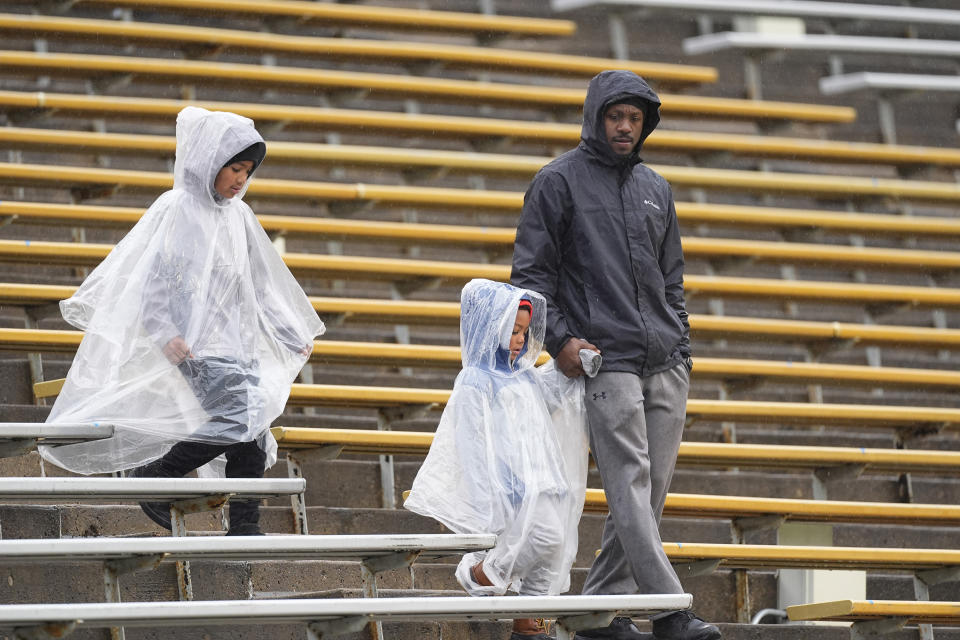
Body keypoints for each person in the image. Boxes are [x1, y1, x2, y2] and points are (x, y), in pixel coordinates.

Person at [40, 106, 325, 536]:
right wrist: (164, 331)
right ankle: (155, 478)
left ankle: (244, 526)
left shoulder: (239, 218)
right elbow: (152, 281)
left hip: (237, 346)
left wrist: (289, 332)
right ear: (209, 160)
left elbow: (259, 285)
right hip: (199, 348)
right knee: (237, 419)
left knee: (251, 435)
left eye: (247, 170)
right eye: (233, 167)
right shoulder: (177, 210)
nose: (240, 179)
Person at [511, 70, 721, 640]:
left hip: (665, 359)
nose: (625, 126)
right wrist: (560, 342)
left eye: (635, 118)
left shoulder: (658, 186)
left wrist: (681, 341)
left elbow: (672, 280)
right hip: (607, 360)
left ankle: (598, 608)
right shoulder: (557, 182)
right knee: (630, 484)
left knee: (648, 493)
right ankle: (671, 609)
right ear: (595, 117)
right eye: (615, 116)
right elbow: (530, 278)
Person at [405, 278, 591, 640]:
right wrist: (486, 491)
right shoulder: (476, 381)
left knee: (554, 549)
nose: (521, 340)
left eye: (524, 332)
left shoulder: (525, 378)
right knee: (543, 537)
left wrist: (569, 365)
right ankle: (483, 573)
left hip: (545, 477)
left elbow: (550, 399)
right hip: (514, 483)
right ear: (491, 328)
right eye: (513, 331)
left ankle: (530, 625)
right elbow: (470, 440)